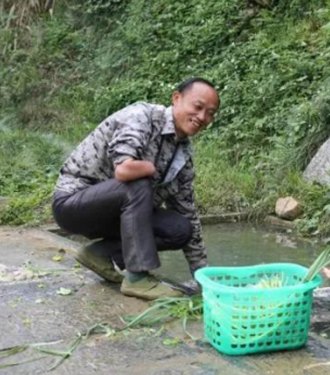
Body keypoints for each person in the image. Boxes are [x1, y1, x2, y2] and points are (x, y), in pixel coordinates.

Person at [52, 77, 219, 300]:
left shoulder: (183, 156)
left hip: (116, 216)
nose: (202, 117)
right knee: (138, 180)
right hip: (74, 204)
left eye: (210, 113)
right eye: (198, 107)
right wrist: (148, 167)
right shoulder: (143, 116)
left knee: (181, 228)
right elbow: (123, 170)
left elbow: (187, 211)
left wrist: (202, 278)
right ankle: (137, 279)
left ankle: (99, 253)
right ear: (176, 98)